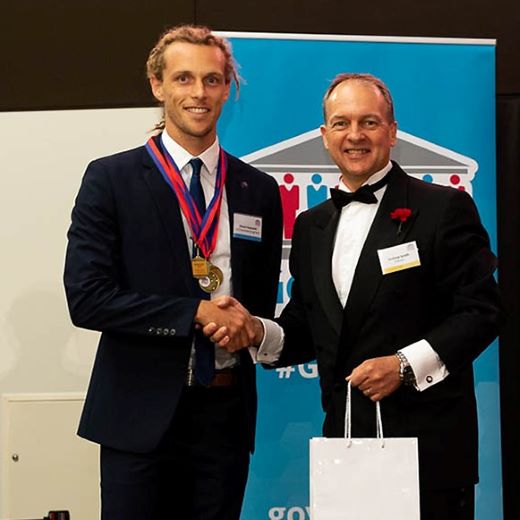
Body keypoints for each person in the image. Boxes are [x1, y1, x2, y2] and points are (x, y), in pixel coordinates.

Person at [206, 73, 500, 520]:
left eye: (370, 122)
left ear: (392, 130)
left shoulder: (443, 208)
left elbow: (483, 311)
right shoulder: (310, 225)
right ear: (325, 136)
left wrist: (403, 366)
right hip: (346, 446)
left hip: (430, 451)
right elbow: (306, 326)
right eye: (341, 124)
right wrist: (254, 331)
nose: (355, 136)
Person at [64, 25, 282, 520]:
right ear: (157, 85)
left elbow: (261, 303)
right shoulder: (111, 179)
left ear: (228, 88)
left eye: (212, 80)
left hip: (225, 417)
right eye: (183, 79)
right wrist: (193, 312)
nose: (198, 93)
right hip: (138, 417)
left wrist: (252, 326)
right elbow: (88, 298)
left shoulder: (258, 189)